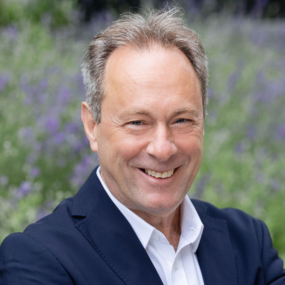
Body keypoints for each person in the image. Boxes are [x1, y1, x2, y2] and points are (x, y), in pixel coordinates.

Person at [0, 7, 284, 285]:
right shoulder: (39, 260)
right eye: (137, 122)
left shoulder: (248, 243)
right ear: (91, 126)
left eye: (182, 120)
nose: (162, 149)